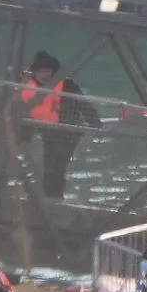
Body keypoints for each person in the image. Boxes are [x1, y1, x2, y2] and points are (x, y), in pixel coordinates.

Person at [19, 50, 102, 199]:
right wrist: (24, 137)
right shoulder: (30, 88)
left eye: (48, 71)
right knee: (49, 166)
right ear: (34, 73)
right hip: (49, 131)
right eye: (41, 72)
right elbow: (28, 113)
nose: (45, 75)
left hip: (69, 131)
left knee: (57, 166)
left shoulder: (68, 86)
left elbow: (84, 105)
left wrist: (95, 123)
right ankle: (51, 196)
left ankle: (54, 196)